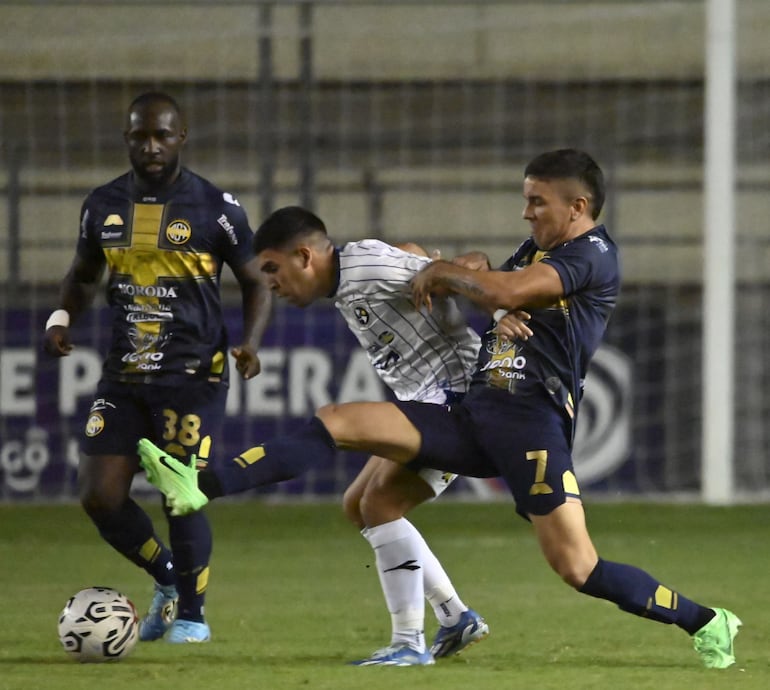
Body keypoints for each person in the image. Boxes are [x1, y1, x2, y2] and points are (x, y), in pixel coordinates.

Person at [138, 149, 741, 668]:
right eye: (526, 201)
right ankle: (205, 488)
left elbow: (495, 288)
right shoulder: (540, 245)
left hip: (529, 424)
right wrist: (463, 272)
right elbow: (486, 275)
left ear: (577, 207)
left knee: (579, 567)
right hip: (473, 410)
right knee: (348, 446)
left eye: (537, 202)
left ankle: (706, 621)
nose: (527, 212)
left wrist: (449, 272)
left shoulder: (593, 257)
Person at [241, 206, 527, 665]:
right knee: (357, 504)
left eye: (272, 269)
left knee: (380, 504)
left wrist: (498, 311)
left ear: (304, 255)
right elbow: (419, 260)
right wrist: (420, 260)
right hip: (424, 398)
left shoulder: (366, 266)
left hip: (456, 398)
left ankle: (408, 641)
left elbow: (459, 270)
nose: (268, 283)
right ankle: (455, 617)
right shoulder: (353, 277)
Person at [43, 91, 271, 644]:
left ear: (181, 139)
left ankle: (192, 615)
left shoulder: (216, 207)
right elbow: (82, 273)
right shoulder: (102, 205)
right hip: (124, 374)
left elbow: (256, 279)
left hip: (192, 377)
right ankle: (168, 578)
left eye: (161, 136)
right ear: (126, 138)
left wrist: (250, 343)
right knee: (98, 494)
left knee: (179, 488)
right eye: (140, 135)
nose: (150, 146)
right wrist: (60, 317)